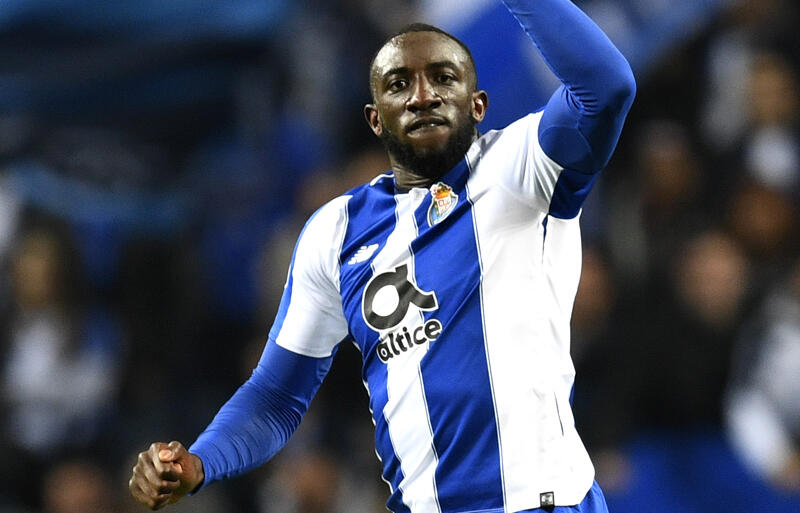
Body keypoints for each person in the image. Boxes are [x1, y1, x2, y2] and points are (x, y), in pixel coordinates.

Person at [129, 0, 636, 511]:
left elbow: (606, 86)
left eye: (443, 78)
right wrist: (202, 461)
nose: (422, 96)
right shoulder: (335, 232)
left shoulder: (525, 165)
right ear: (376, 119)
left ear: (478, 105)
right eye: (398, 84)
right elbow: (276, 396)